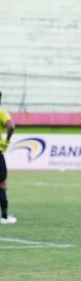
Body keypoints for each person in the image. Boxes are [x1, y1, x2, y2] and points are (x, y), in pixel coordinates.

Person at [0, 91, 17, 225]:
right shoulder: (1, 112)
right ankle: (4, 217)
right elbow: (11, 125)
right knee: (1, 183)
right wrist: (6, 141)